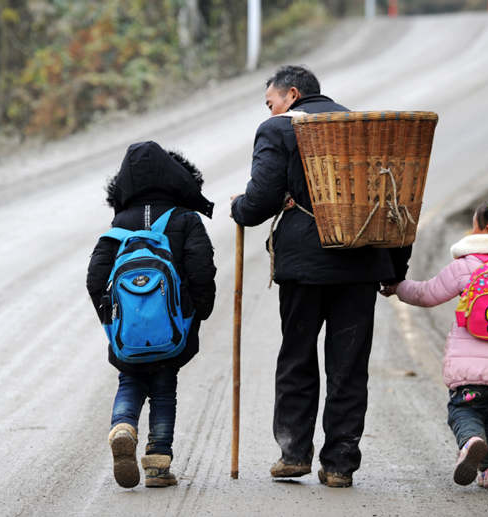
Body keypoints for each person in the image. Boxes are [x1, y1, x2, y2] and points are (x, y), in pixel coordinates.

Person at [230, 65, 412, 488]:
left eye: (270, 100)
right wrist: (395, 268)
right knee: (349, 366)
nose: (270, 108)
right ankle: (339, 464)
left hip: (304, 268)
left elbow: (260, 202)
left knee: (297, 357)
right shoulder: (362, 127)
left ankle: (293, 454)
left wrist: (240, 207)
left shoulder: (278, 130)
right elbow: (397, 198)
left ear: (292, 94)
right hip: (362, 264)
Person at [381, 200, 488, 489]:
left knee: (464, 411)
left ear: (486, 230)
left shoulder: (470, 265)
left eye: (473, 226)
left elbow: (427, 294)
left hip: (469, 368)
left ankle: (471, 441)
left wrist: (398, 288)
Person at [87, 141, 216, 488]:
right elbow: (201, 270)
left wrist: (112, 322)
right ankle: (158, 463)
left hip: (127, 332)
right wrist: (196, 314)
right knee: (163, 389)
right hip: (173, 330)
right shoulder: (185, 219)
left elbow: (95, 278)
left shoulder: (119, 224)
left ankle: (123, 427)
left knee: (130, 380)